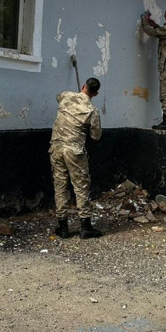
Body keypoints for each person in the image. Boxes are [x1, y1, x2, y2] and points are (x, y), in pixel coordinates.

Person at [49, 77, 102, 239]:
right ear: (96, 93)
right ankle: (85, 227)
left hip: (56, 148)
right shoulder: (92, 110)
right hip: (74, 151)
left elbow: (58, 96)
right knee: (81, 186)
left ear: (83, 86)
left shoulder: (65, 96)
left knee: (60, 185)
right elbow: (96, 136)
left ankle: (63, 227)